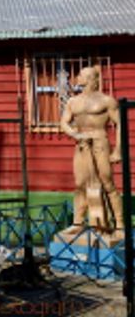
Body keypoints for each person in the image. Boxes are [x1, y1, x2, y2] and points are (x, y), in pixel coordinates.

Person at [60, 66, 123, 234]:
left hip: (100, 142)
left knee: (107, 182)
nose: (77, 77)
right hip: (81, 144)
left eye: (80, 74)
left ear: (90, 79)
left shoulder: (106, 100)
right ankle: (78, 223)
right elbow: (64, 122)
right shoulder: (73, 101)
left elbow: (120, 124)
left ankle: (119, 224)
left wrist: (118, 150)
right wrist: (74, 134)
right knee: (80, 184)